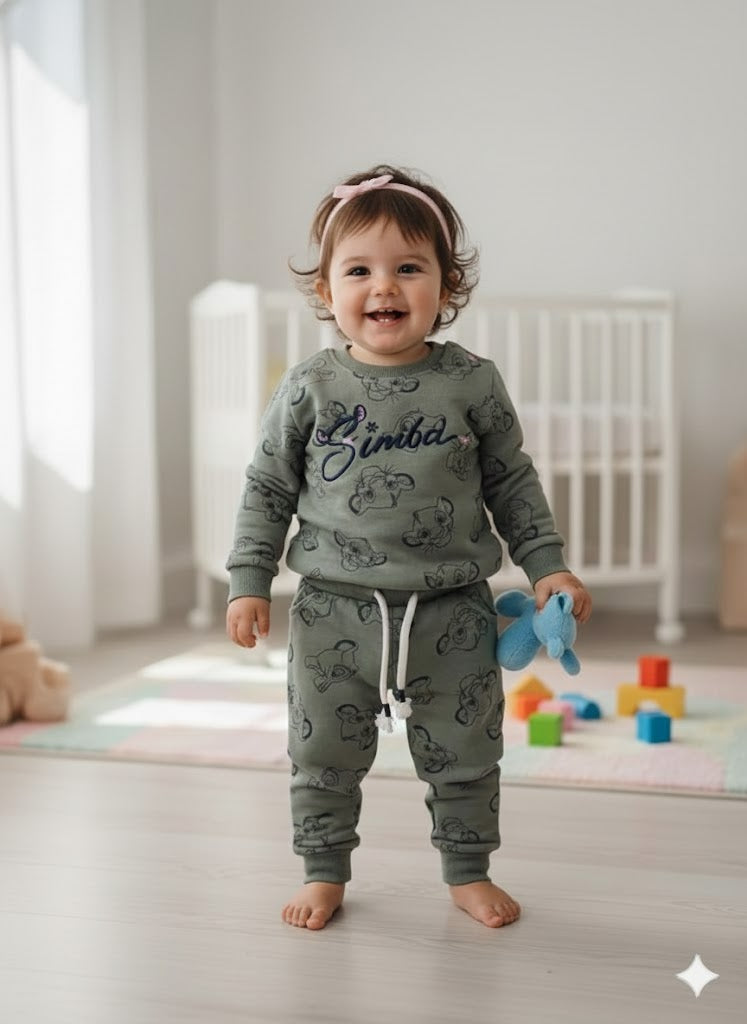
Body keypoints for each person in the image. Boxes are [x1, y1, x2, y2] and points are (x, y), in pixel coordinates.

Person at [226, 165, 592, 931]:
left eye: (408, 268)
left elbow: (512, 484)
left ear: (445, 284)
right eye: (358, 270)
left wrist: (547, 565)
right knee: (322, 751)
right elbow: (267, 488)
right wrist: (249, 578)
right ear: (325, 289)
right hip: (333, 609)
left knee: (466, 750)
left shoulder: (471, 383)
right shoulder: (308, 388)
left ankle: (467, 869)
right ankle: (323, 869)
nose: (383, 287)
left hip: (451, 609)